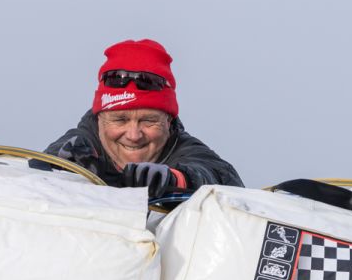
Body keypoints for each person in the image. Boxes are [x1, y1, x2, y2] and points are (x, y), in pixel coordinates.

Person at [32, 39, 243, 198]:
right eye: (120, 120)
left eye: (148, 121)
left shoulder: (183, 148)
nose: (133, 135)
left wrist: (175, 179)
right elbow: (35, 170)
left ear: (168, 122)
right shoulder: (81, 143)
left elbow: (223, 178)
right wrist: (61, 166)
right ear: (99, 120)